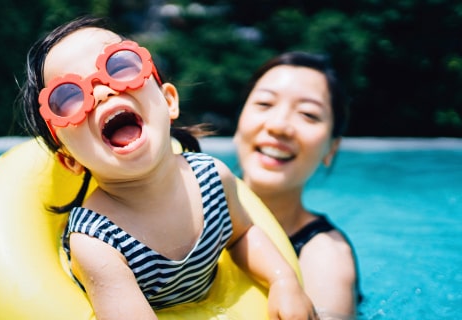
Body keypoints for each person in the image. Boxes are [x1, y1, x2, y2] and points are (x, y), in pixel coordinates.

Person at [19, 16, 317, 320]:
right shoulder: (96, 240)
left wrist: (282, 280)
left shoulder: (212, 178)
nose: (102, 92)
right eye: (68, 96)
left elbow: (242, 235)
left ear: (169, 101)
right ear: (70, 159)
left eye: (119, 66)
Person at [233, 52, 361, 319]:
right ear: (239, 122)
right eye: (265, 103)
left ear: (331, 149)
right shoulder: (186, 206)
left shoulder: (326, 257)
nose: (279, 126)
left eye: (308, 114)